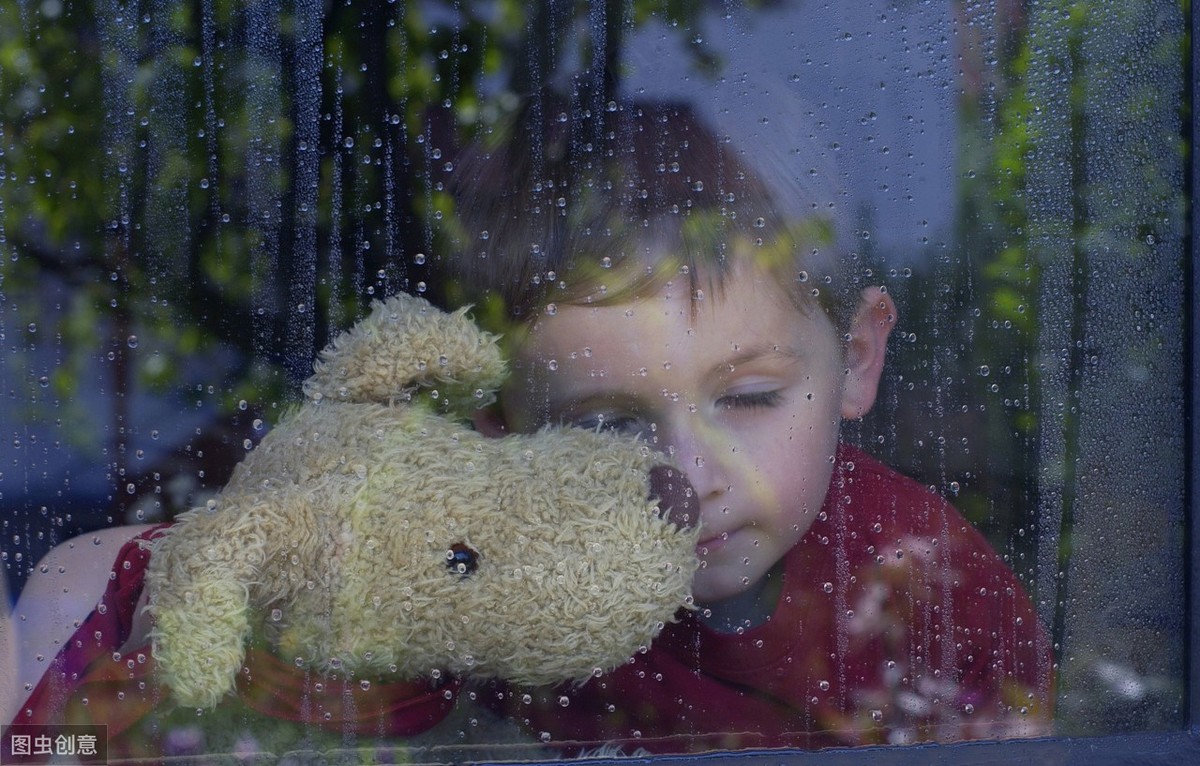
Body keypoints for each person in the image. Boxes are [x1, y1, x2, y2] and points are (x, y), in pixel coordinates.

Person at [433, 98, 1056, 751]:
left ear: (856, 358)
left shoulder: (934, 587)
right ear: (502, 433)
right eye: (606, 429)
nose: (688, 480)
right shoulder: (497, 590)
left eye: (750, 398)